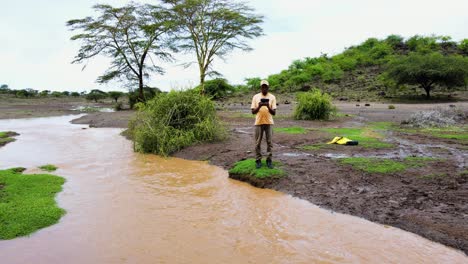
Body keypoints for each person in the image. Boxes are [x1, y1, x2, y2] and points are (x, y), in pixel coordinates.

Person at [251, 80, 277, 169]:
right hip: (258, 122)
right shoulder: (255, 97)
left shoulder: (272, 97)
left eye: (266, 86)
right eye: (263, 86)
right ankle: (258, 160)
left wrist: (268, 106)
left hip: (269, 122)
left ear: (268, 87)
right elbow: (253, 112)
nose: (264, 88)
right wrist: (259, 106)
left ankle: (269, 160)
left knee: (269, 143)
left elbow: (274, 113)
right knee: (257, 143)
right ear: (261, 87)